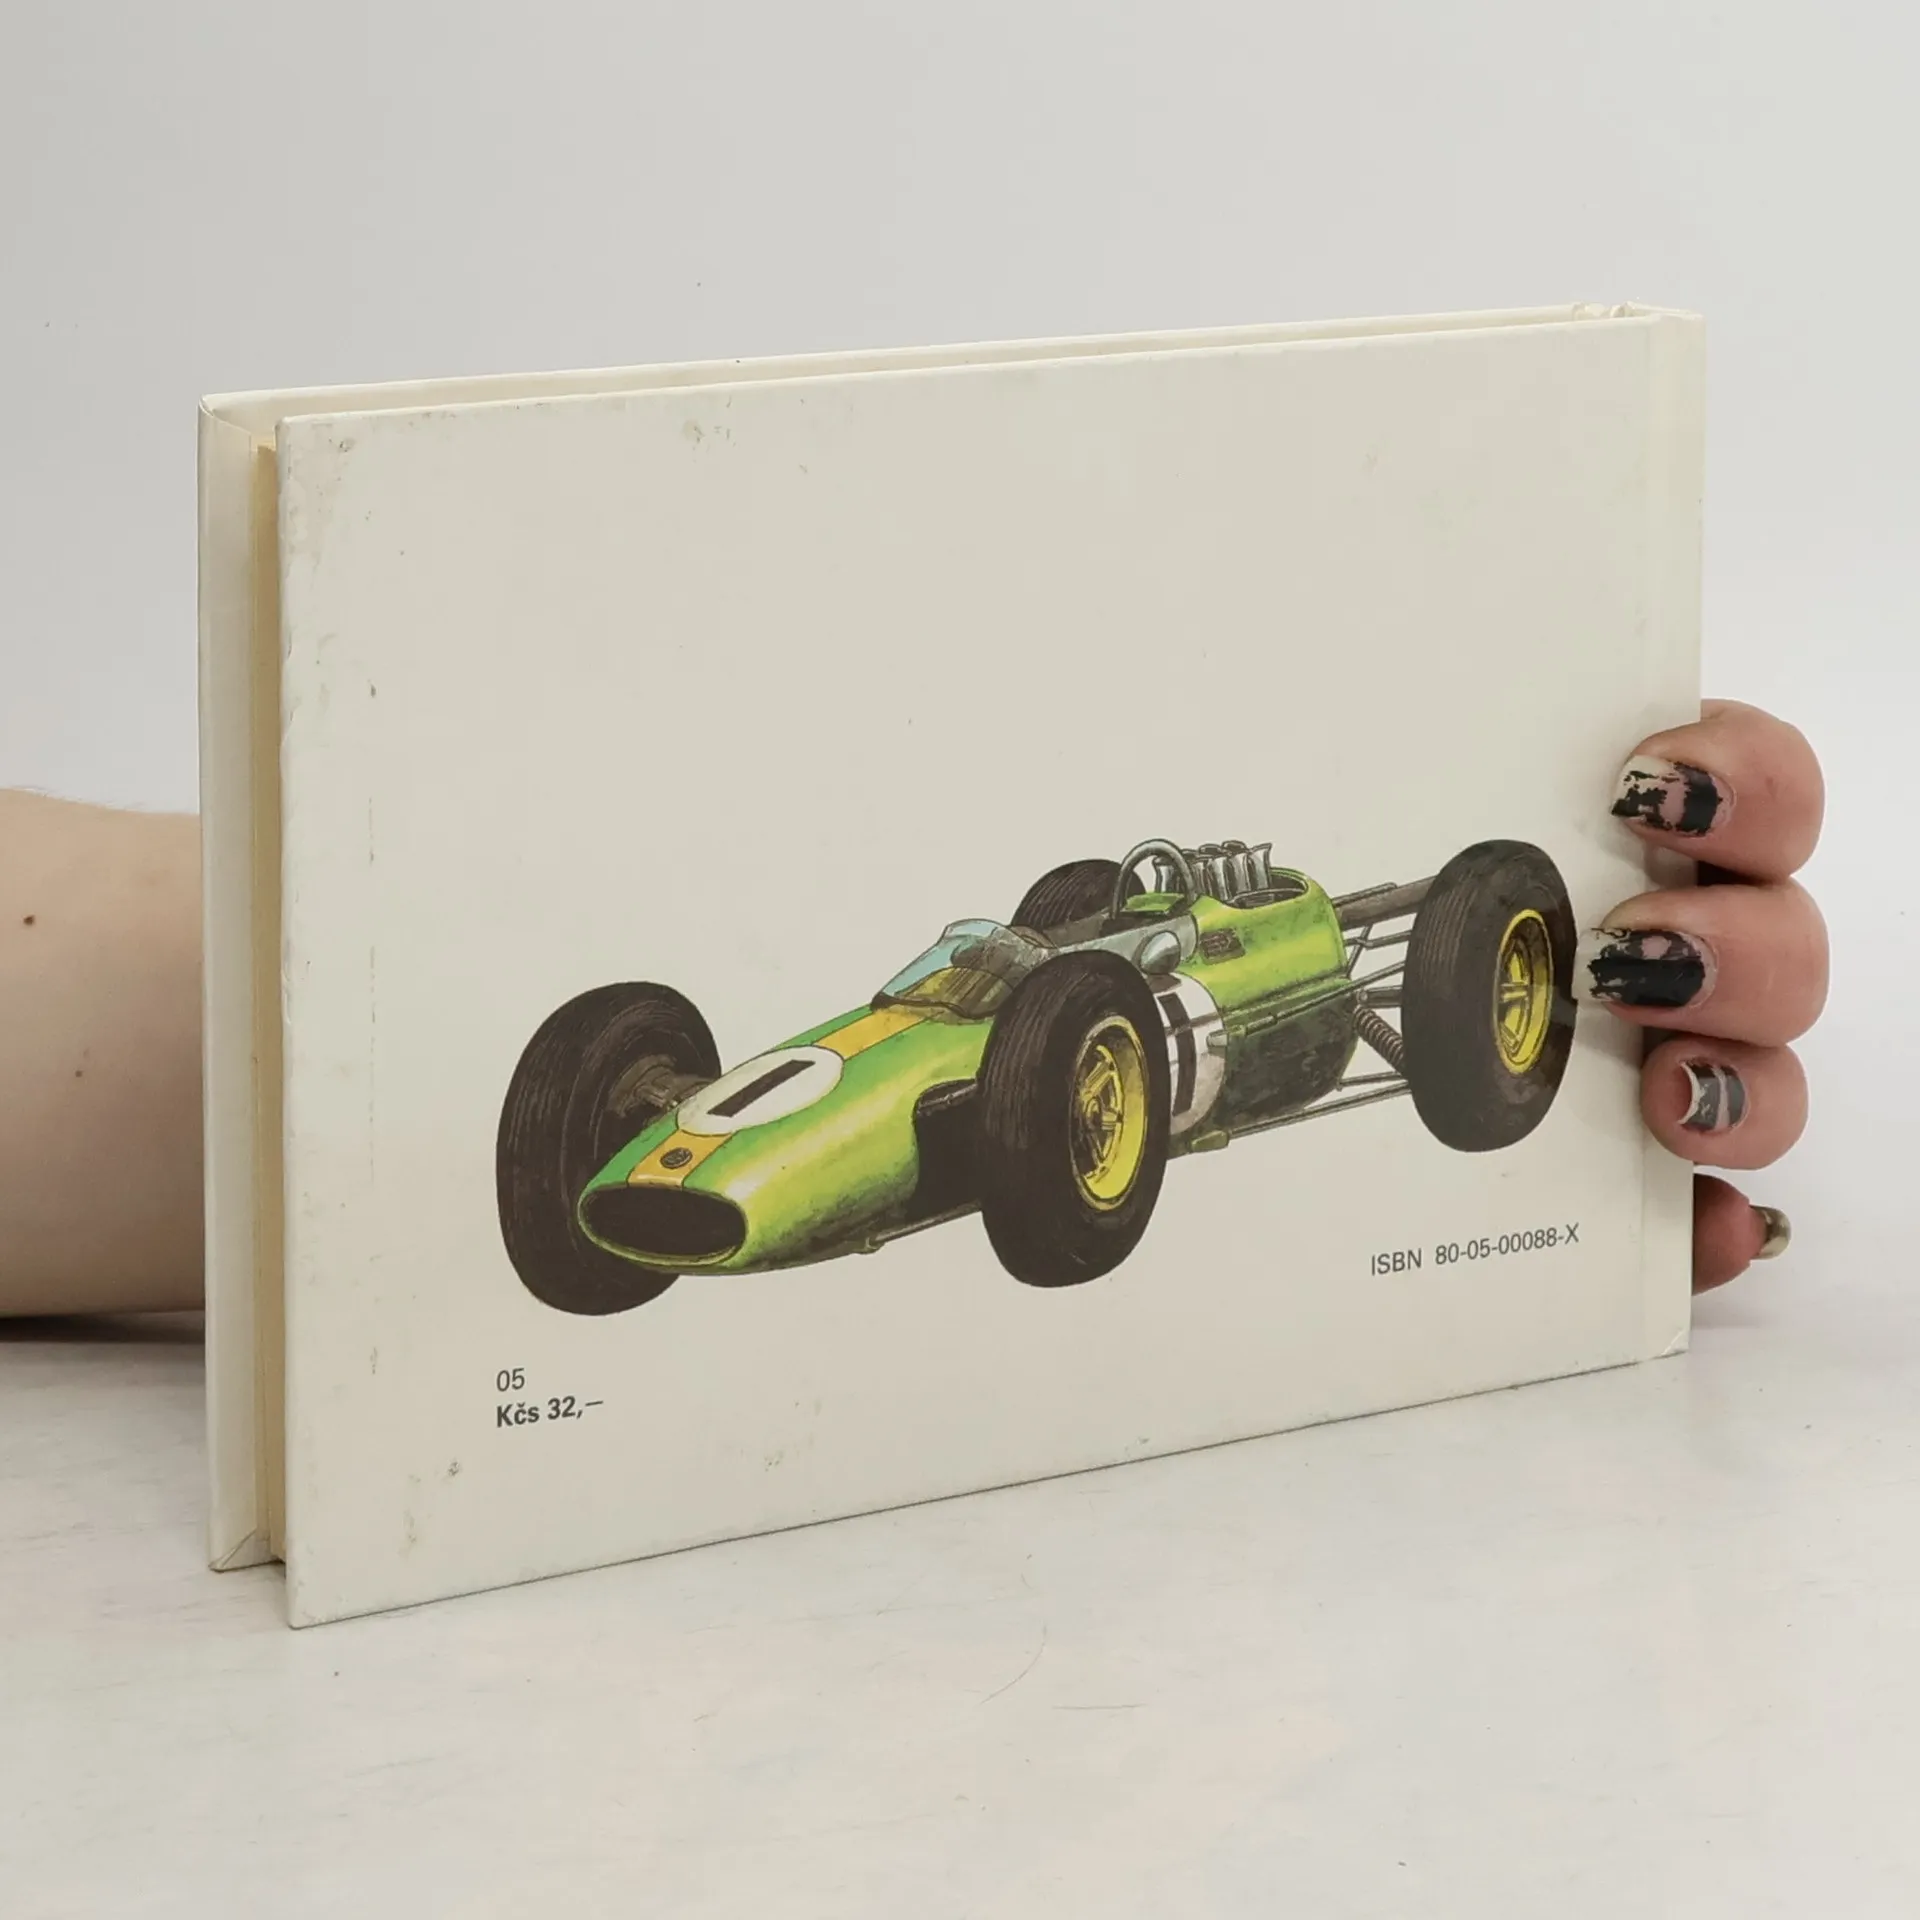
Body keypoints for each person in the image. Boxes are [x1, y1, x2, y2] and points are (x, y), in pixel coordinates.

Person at [0, 697, 1825, 1317]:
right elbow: (1024, 979)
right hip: (1007, 1007)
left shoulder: (1257, 952)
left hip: (1195, 990)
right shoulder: (1031, 987)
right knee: (980, 999)